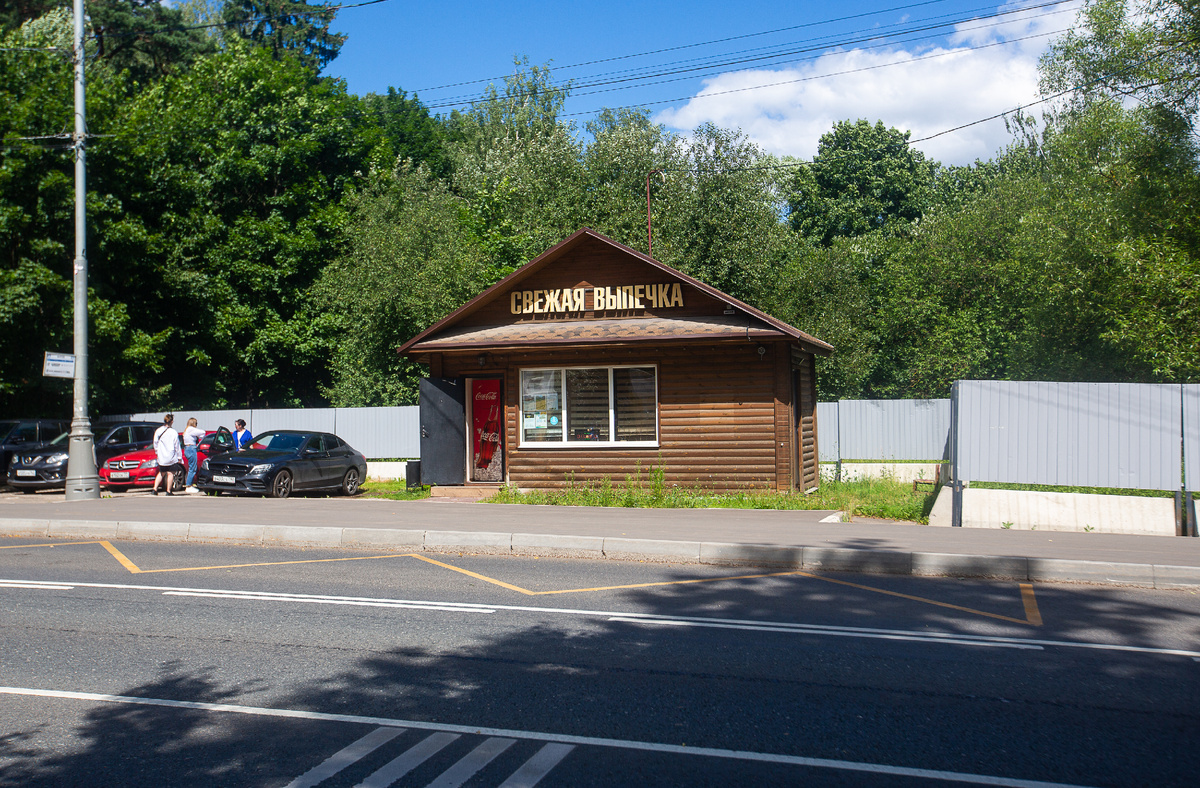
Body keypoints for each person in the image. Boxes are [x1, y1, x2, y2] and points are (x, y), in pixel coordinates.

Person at [151, 413, 183, 496]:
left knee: (161, 473)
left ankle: (154, 489)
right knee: (170, 473)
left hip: (162, 456)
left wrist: (157, 452)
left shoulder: (158, 430)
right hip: (171, 455)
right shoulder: (173, 432)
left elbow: (155, 443)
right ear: (171, 421)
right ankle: (168, 491)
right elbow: (177, 445)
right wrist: (179, 456)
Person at [181, 417, 205, 492]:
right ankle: (188, 485)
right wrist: (200, 437)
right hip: (191, 448)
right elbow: (203, 432)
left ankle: (190, 483)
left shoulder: (187, 430)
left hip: (187, 448)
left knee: (191, 467)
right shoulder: (191, 429)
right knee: (193, 468)